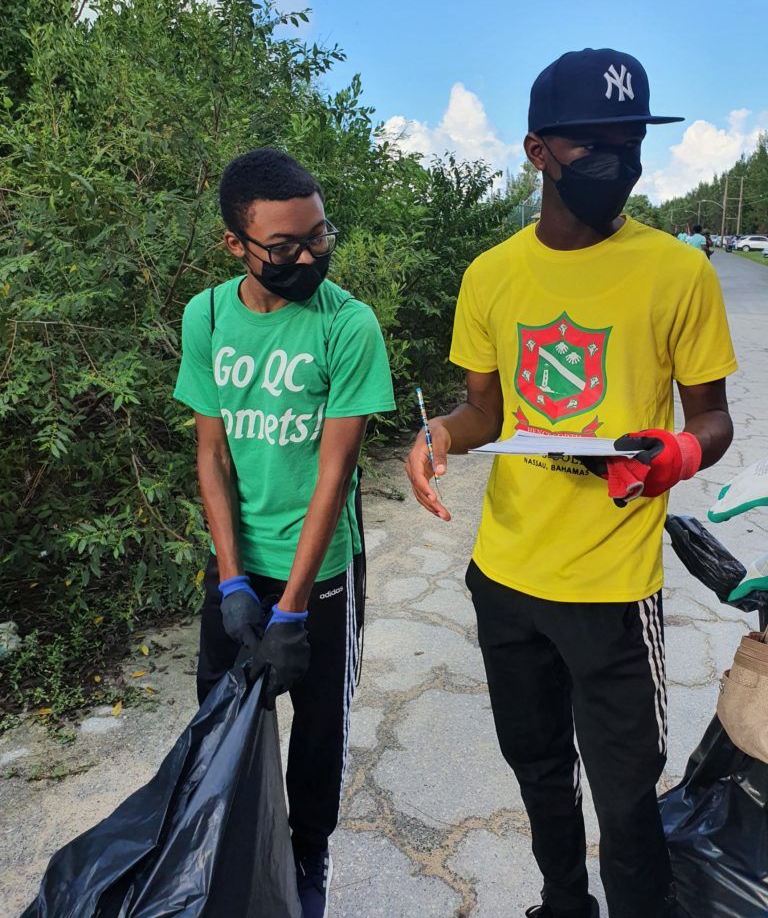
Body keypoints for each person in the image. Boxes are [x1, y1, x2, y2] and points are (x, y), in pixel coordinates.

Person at [405, 48, 737, 918]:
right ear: (536, 151)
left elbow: (713, 420)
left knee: (627, 797)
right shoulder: (490, 274)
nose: (616, 163)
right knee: (540, 768)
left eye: (629, 143)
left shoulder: (678, 272)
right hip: (507, 576)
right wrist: (437, 434)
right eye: (591, 145)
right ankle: (562, 903)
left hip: (612, 588)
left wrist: (676, 457)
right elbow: (486, 410)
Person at [173, 148, 395, 918]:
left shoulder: (349, 324)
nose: (308, 257)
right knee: (224, 716)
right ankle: (226, 852)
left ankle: (308, 858)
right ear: (236, 243)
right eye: (285, 247)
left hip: (321, 574)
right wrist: (232, 581)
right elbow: (212, 456)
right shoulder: (205, 317)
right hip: (238, 566)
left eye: (319, 236)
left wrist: (294, 607)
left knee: (316, 734)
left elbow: (335, 475)